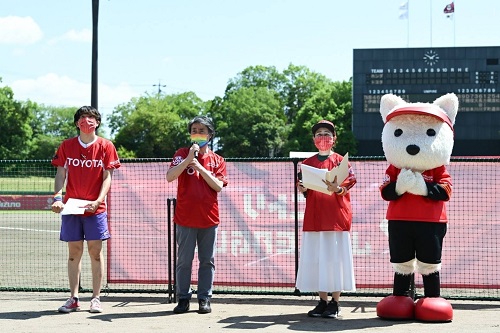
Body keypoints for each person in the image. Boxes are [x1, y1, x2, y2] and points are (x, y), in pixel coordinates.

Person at [51, 106, 121, 313]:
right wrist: (57, 197)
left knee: (95, 253)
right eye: (83, 118)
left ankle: (96, 298)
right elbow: (60, 173)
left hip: (95, 209)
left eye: (91, 118)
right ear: (76, 123)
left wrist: (99, 200)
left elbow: (107, 177)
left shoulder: (106, 146)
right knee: (74, 252)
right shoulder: (66, 146)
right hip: (72, 207)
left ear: (97, 122)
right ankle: (73, 298)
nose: (87, 121)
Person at [166, 116, 228, 314]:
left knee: (207, 260)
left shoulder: (218, 160)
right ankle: (183, 298)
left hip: (209, 218)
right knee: (184, 261)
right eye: (194, 129)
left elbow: (218, 185)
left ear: (210, 135)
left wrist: (199, 166)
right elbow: (170, 176)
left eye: (202, 130)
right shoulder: (182, 153)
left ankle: (204, 298)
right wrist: (188, 160)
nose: (198, 133)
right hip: (185, 218)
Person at [295, 120, 357, 318]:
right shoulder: (306, 164)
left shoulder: (341, 161)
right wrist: (303, 189)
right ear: (313, 139)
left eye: (327, 134)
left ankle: (335, 302)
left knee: (334, 260)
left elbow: (348, 184)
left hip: (336, 218)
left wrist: (337, 189)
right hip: (315, 218)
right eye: (319, 134)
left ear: (334, 138)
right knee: (318, 260)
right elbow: (306, 188)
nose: (323, 137)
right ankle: (322, 301)